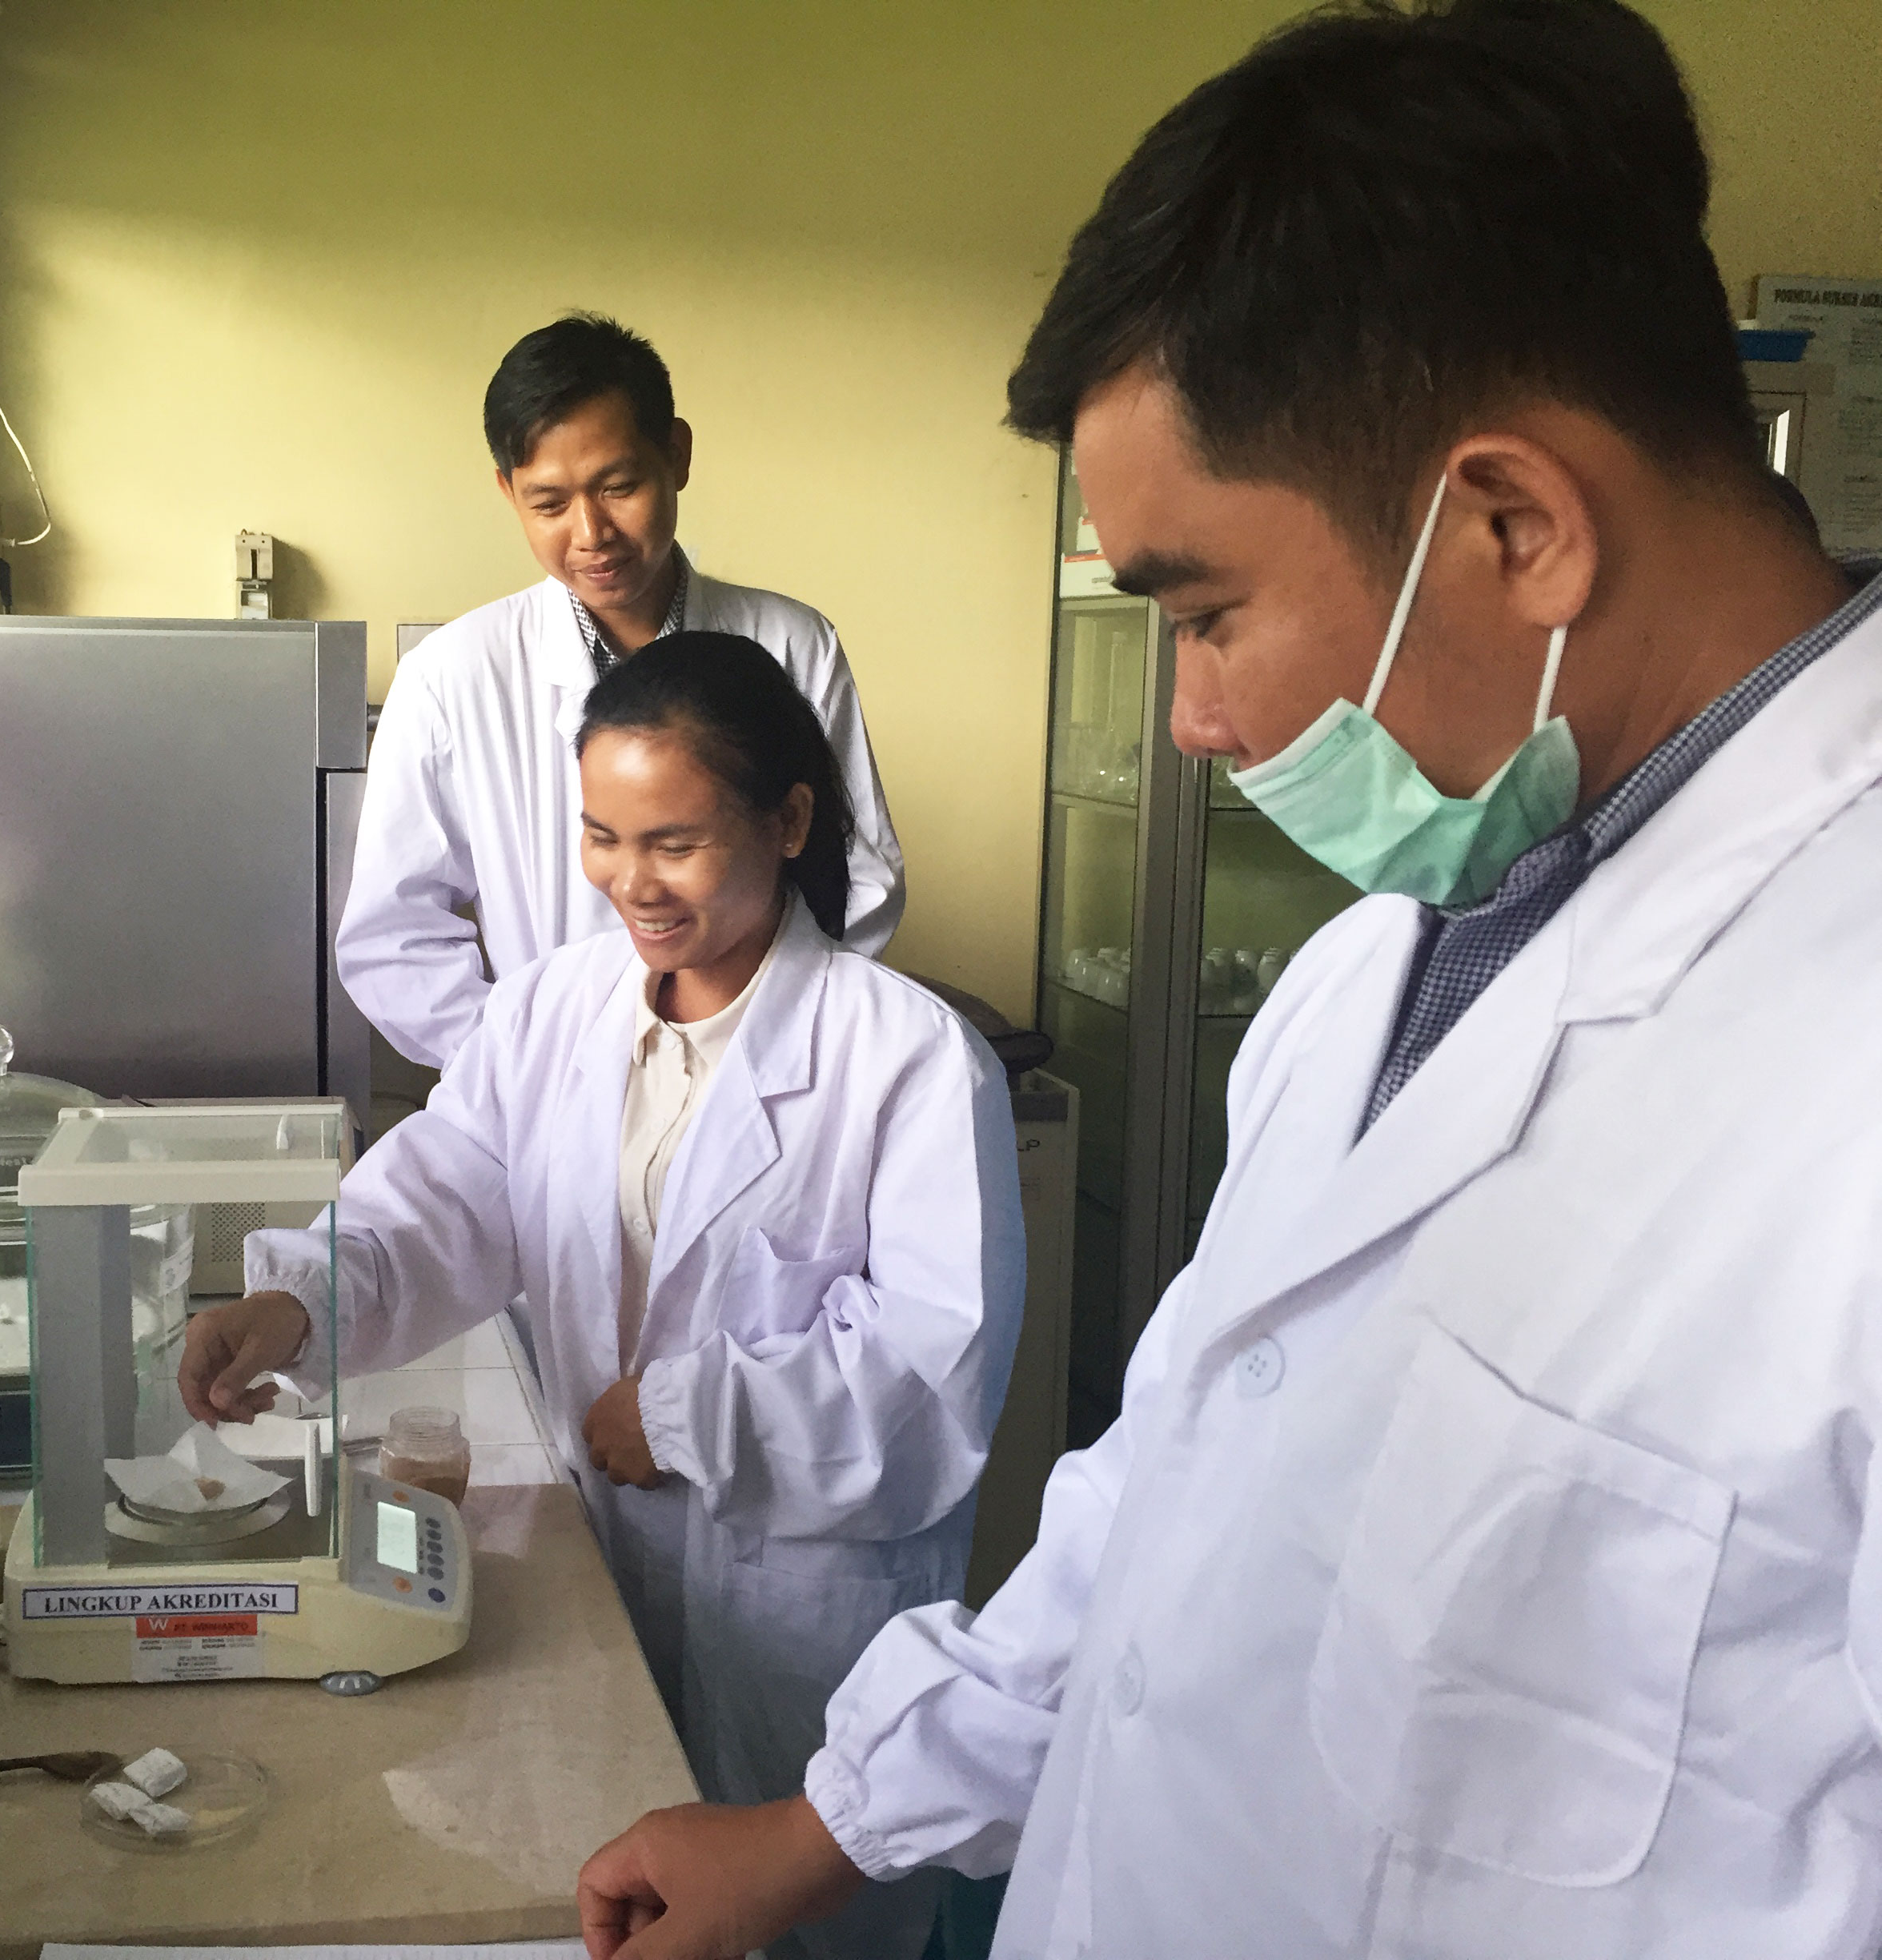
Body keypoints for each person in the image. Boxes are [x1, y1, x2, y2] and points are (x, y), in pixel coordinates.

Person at [576, 4, 1882, 1958]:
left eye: (1205, 609)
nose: (1185, 719)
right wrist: (828, 1822)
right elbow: (1174, 1478)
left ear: (1516, 523)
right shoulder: (1388, 963)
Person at [183, 636, 1021, 1960]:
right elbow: (450, 1185)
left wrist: (685, 1416)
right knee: (618, 1891)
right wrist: (296, 1300)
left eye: (674, 842)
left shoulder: (907, 1058)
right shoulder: (559, 1008)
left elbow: (926, 1373)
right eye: (600, 835)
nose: (630, 881)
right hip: (606, 1561)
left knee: (790, 1924)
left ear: (787, 820)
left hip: (796, 1612)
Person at [338, 315, 907, 1071]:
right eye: (548, 503)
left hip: (756, 1063)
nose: (590, 532)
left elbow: (858, 873)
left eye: (619, 486)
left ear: (676, 455)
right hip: (546, 1081)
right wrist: (523, 1066)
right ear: (508, 492)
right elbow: (393, 934)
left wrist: (740, 1040)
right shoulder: (451, 676)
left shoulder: (792, 643)